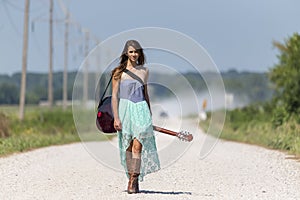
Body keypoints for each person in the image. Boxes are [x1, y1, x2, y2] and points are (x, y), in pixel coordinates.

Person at [111, 40, 160, 194]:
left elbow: (145, 93)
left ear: (140, 53)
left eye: (136, 51)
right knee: (128, 148)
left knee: (138, 147)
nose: (134, 54)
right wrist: (116, 118)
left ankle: (134, 179)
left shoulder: (144, 71)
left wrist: (149, 112)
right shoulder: (118, 72)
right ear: (126, 53)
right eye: (131, 51)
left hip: (140, 108)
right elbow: (114, 96)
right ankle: (131, 176)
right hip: (125, 110)